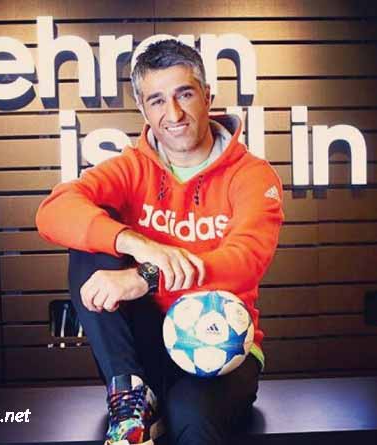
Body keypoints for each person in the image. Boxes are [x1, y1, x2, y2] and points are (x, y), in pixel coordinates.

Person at [35, 39, 284, 445]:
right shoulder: (131, 168)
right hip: (146, 347)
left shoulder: (252, 175)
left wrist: (148, 276)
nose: (173, 113)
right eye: (157, 100)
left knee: (191, 418)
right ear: (143, 110)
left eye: (184, 94)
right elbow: (53, 210)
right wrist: (139, 244)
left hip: (220, 345)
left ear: (207, 96)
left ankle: (159, 412)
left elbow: (245, 260)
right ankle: (130, 398)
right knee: (90, 243)